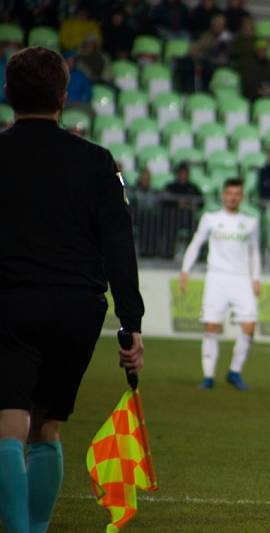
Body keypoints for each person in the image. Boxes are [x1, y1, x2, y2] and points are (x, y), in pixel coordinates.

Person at [0, 47, 144, 533]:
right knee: (47, 425)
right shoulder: (99, 163)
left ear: (6, 93)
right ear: (64, 98)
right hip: (77, 309)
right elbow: (120, 247)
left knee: (8, 421)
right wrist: (132, 324)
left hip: (10, 302)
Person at [180, 178, 260, 392]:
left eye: (237, 193)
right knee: (211, 326)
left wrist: (256, 278)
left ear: (241, 197)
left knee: (249, 326)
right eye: (229, 193)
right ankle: (208, 377)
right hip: (216, 277)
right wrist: (185, 270)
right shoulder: (211, 218)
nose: (233, 197)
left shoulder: (250, 222)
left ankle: (234, 372)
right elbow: (196, 243)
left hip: (242, 278)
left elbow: (254, 252)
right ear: (223, 195)